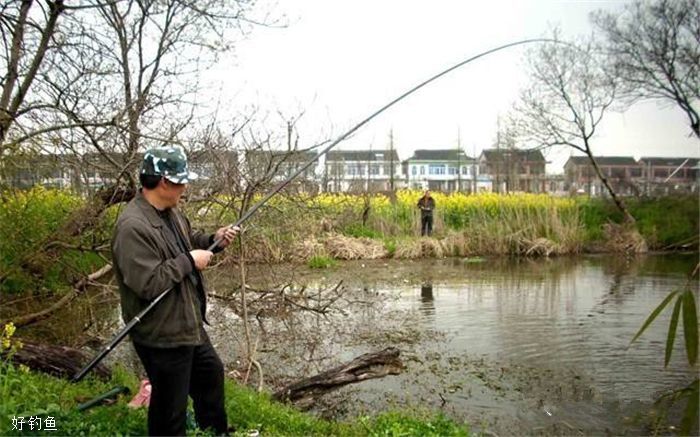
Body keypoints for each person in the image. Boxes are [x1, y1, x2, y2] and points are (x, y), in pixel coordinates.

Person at [112, 145, 239, 436]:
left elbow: (188, 241)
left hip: (187, 322)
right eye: (182, 181)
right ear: (164, 182)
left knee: (210, 378)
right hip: (161, 334)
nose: (186, 187)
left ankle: (216, 432)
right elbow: (148, 283)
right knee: (170, 411)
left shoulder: (171, 212)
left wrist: (213, 240)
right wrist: (189, 261)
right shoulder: (132, 226)